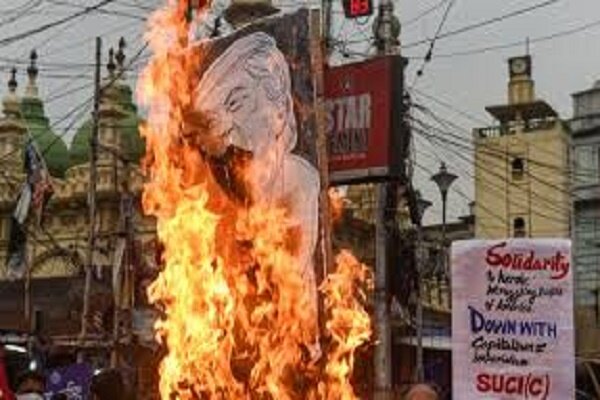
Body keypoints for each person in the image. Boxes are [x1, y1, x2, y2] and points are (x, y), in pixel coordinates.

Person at [185, 31, 321, 359]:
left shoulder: (298, 178)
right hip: (235, 344)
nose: (230, 129)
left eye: (237, 103)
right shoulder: (216, 191)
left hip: (287, 342)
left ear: (276, 100)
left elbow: (294, 269)